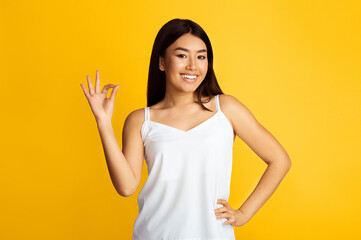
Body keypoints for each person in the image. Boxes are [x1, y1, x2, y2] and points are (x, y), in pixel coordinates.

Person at [80, 18, 291, 240]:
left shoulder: (226, 109)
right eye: (182, 55)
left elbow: (280, 160)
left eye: (201, 56)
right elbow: (126, 187)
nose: (192, 65)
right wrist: (103, 121)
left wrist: (243, 214)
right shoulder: (140, 120)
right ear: (162, 62)